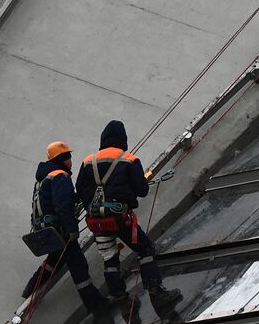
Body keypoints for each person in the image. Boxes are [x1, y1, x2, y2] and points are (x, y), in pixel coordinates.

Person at [76, 120, 181, 308]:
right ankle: (156, 292)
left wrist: (95, 208)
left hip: (97, 221)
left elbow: (80, 189)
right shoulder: (129, 159)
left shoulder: (87, 161)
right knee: (144, 248)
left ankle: (121, 299)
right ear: (122, 139)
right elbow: (141, 190)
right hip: (119, 217)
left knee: (110, 257)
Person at [23, 141, 109, 315]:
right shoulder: (60, 176)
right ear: (63, 159)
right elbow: (63, 205)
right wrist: (71, 230)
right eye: (69, 157)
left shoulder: (44, 177)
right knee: (78, 264)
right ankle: (96, 305)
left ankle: (30, 289)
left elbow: (52, 201)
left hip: (45, 229)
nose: (71, 161)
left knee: (54, 260)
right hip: (59, 228)